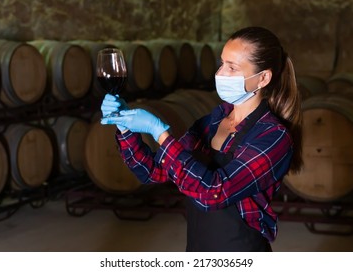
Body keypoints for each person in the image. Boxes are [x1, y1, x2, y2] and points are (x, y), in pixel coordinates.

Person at [100, 26, 303, 252]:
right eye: (222, 63)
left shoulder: (273, 137)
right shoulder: (211, 122)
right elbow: (153, 172)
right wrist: (125, 127)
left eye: (232, 67)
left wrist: (159, 131)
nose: (220, 74)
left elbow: (212, 192)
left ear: (263, 78)